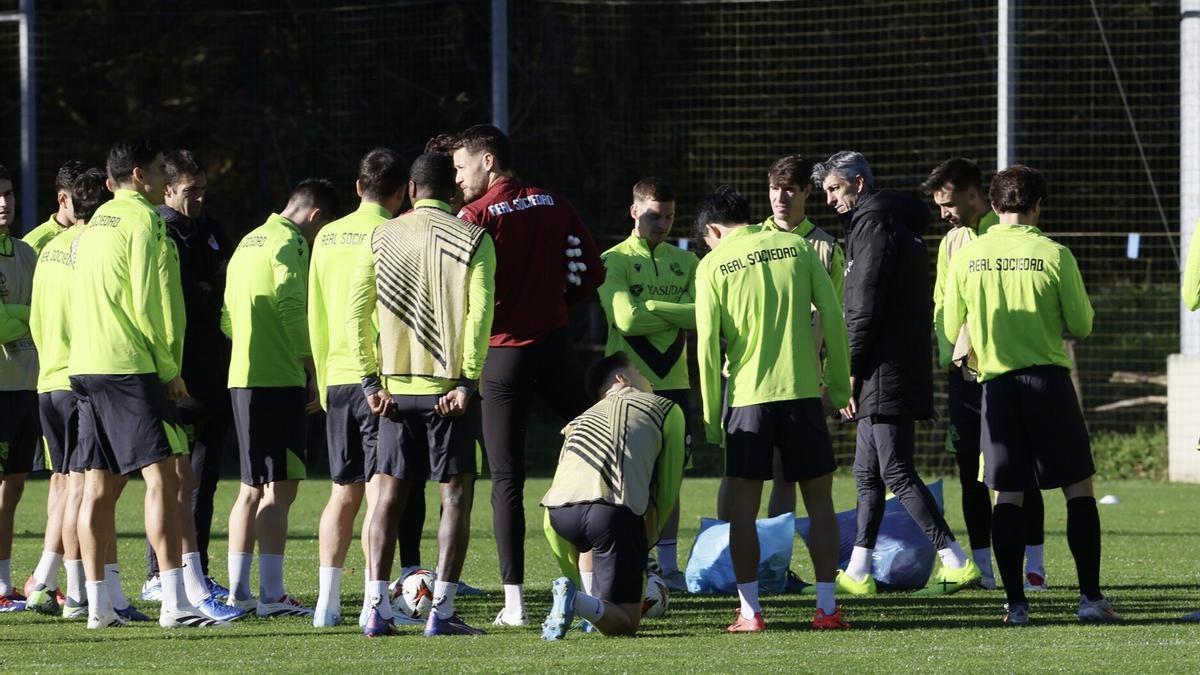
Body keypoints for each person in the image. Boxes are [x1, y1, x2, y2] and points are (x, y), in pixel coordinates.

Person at [944, 164, 1118, 625]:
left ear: (993, 204)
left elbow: (948, 327)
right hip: (1048, 384)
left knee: (1008, 495)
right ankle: (1089, 599)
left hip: (997, 388)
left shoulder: (967, 256)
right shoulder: (1055, 254)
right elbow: (1081, 324)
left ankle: (1016, 606)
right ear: (1038, 204)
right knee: (1078, 488)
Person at [452, 124, 604, 625]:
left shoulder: (473, 216)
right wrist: (561, 300)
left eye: (462, 165)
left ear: (488, 161)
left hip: (502, 357)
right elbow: (591, 272)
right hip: (556, 348)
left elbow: (457, 296)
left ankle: (514, 603)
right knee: (594, 456)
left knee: (506, 480)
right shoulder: (554, 203)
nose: (458, 178)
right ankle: (604, 581)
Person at [67, 140, 222, 629]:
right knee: (167, 478)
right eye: (159, 170)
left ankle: (97, 606)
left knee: (99, 485)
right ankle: (174, 601)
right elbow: (154, 302)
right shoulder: (147, 221)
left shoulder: (90, 228)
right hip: (129, 363)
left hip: (85, 364)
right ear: (140, 175)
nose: (163, 177)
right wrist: (169, 367)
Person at [812, 151, 980, 596]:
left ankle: (955, 560)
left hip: (883, 368)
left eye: (834, 189)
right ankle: (859, 570)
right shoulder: (885, 223)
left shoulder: (874, 225)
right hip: (886, 365)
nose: (829, 200)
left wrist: (848, 370)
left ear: (859, 184)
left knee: (896, 472)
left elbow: (864, 304)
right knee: (866, 474)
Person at [348, 152, 495, 637]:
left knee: (385, 498)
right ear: (452, 193)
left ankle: (376, 610)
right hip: (445, 393)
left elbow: (357, 314)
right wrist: (467, 382)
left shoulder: (382, 235)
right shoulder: (474, 238)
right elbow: (478, 319)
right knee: (454, 498)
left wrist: (371, 382)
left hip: (392, 390)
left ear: (411, 190)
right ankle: (443, 612)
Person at [694, 186, 852, 632]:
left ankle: (751, 613)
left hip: (747, 398)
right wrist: (838, 385)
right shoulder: (798, 247)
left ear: (713, 230)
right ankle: (826, 610)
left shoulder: (712, 265)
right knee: (820, 501)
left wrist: (710, 418)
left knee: (743, 509)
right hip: (802, 392)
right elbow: (833, 315)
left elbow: (707, 346)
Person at [923, 157, 1047, 591]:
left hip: (1010, 370)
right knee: (968, 470)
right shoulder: (951, 243)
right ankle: (982, 568)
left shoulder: (1017, 235)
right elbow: (942, 304)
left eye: (949, 204)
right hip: (966, 376)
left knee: (1019, 470)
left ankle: (1035, 567)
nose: (944, 214)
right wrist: (947, 358)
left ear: (976, 197)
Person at [221, 178, 338, 617]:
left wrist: (253, 343)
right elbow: (291, 306)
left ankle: (239, 592)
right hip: (278, 379)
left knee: (250, 487)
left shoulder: (248, 240)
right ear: (315, 217)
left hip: (243, 376)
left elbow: (228, 316)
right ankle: (272, 595)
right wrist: (310, 365)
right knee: (282, 488)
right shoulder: (290, 242)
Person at [307, 148, 406, 628]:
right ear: (404, 190)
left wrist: (323, 379)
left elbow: (316, 312)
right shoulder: (390, 234)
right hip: (378, 382)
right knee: (377, 492)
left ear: (357, 186)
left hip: (337, 379)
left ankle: (326, 605)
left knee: (341, 491)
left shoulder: (325, 234)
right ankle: (374, 602)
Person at [142, 149, 237, 608]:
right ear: (167, 190)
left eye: (202, 189)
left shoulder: (213, 230)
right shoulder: (159, 231)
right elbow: (178, 295)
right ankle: (158, 573)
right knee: (170, 479)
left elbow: (226, 284)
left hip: (214, 367)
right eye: (189, 191)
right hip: (176, 373)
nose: (198, 198)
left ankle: (196, 569)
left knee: (205, 478)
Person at [539, 351, 685, 639]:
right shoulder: (667, 408)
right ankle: (577, 602)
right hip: (610, 510)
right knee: (626, 624)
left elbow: (557, 488)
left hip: (557, 515)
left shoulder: (580, 419)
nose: (650, 384)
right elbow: (668, 486)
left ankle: (585, 608)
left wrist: (571, 577)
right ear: (622, 379)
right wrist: (647, 537)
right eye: (643, 375)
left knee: (590, 546)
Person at [595, 177, 697, 591]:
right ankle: (634, 558)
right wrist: (671, 310)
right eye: (654, 215)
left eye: (669, 216)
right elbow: (627, 321)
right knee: (626, 478)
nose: (662, 224)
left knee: (670, 477)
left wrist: (651, 305)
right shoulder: (613, 259)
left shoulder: (688, 262)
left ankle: (667, 565)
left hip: (676, 385)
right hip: (627, 385)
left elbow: (704, 316)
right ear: (634, 211)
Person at [23, 166, 106, 618]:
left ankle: (55, 582)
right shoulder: (84, 248)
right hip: (77, 379)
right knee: (80, 487)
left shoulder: (49, 249)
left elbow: (36, 315)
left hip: (46, 380)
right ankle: (74, 592)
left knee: (64, 483)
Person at [0, 163, 39, 613]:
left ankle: (5, 581)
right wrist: (29, 316)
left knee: (12, 491)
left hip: (27, 386)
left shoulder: (27, 254)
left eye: (8, 194)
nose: (4, 203)